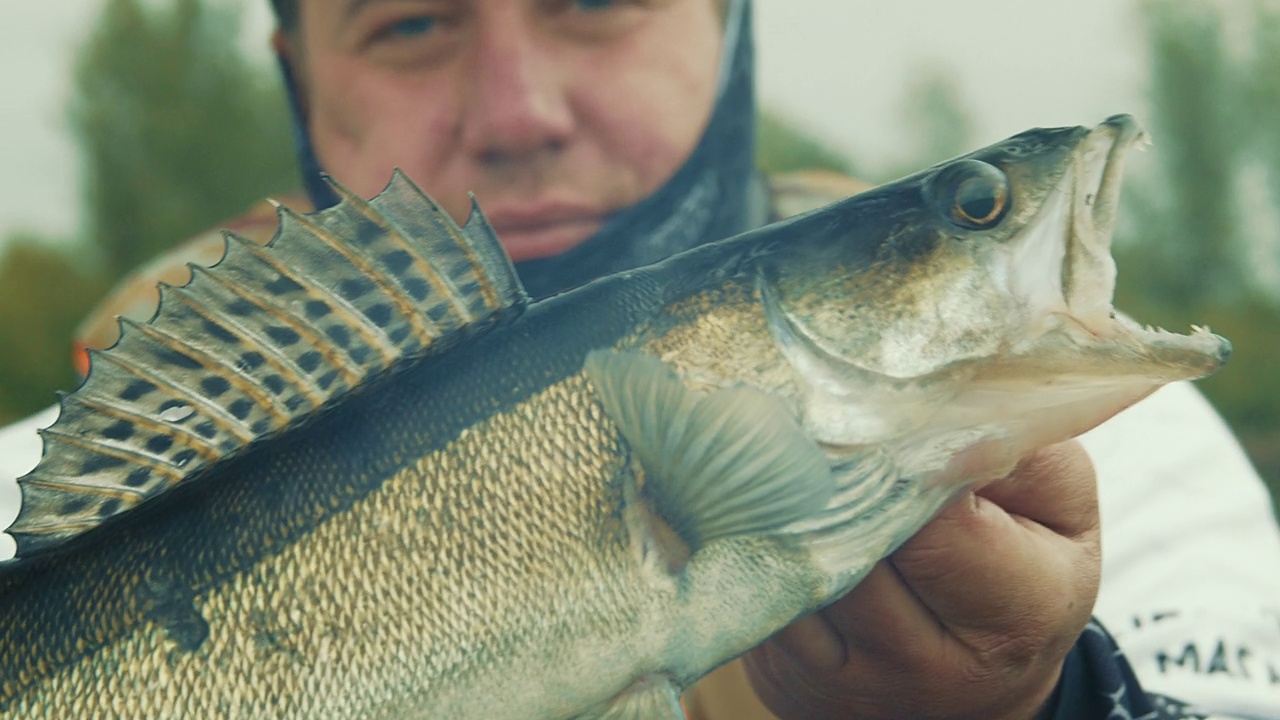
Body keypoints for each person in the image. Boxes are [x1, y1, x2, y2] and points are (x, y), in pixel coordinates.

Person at [1, 1, 1278, 717]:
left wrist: (1047, 710)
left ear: (726, 23)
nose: (517, 109)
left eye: (592, 2)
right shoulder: (24, 504)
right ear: (294, 68)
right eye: (408, 22)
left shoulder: (1127, 464)